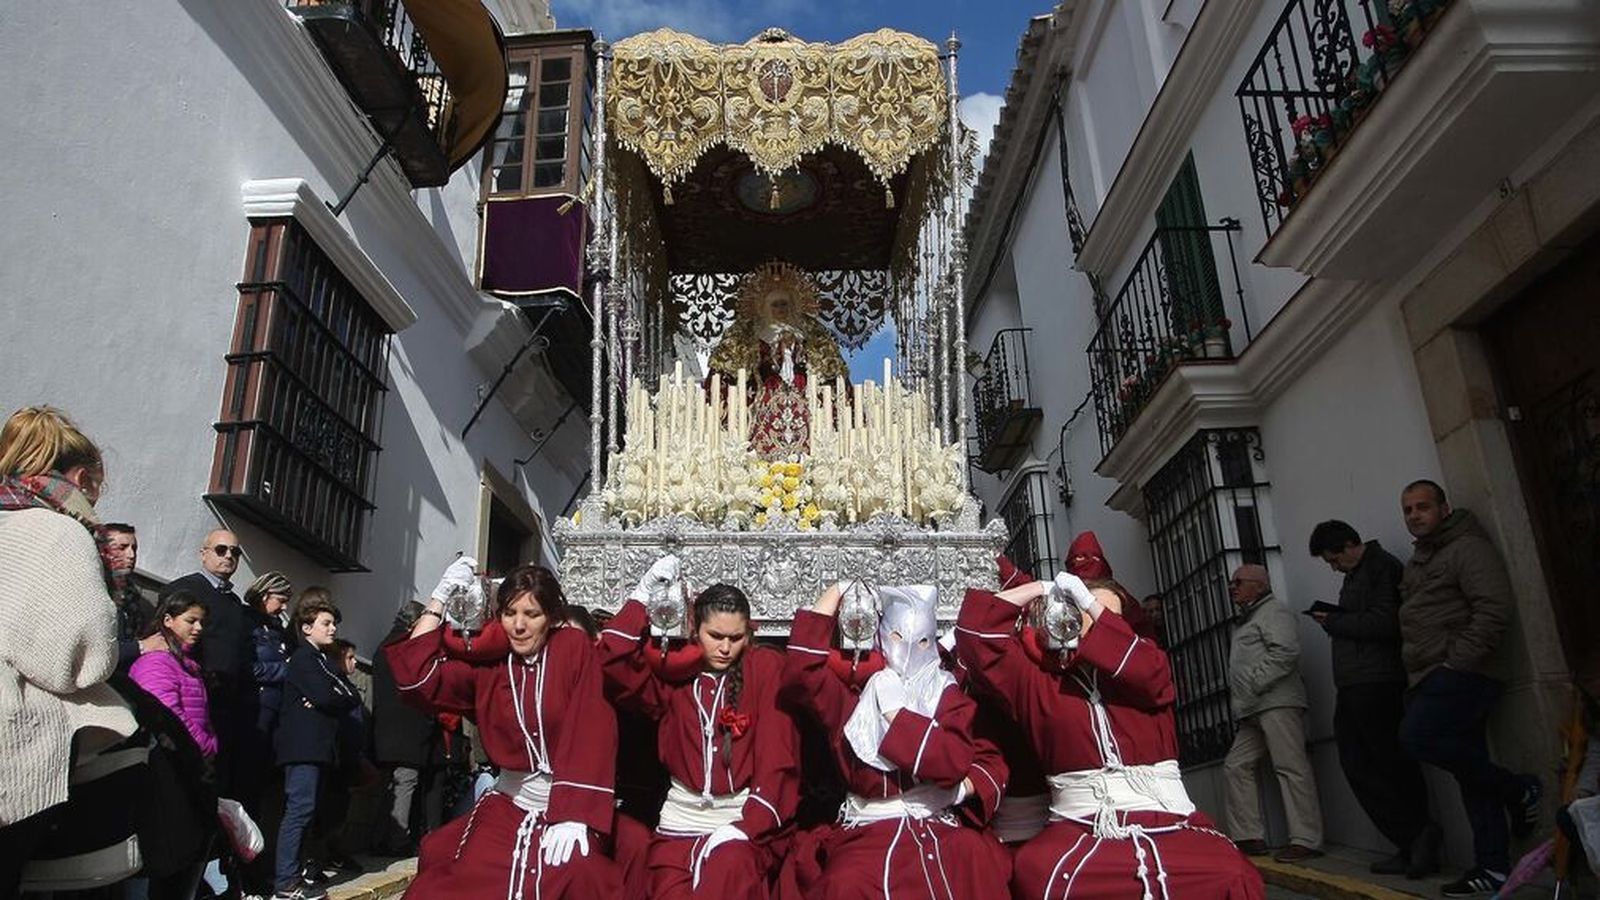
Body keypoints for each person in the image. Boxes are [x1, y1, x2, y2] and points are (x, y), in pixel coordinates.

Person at [955, 570, 1264, 899]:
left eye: (1110, 615)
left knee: (1233, 871)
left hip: (1169, 819)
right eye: (1086, 609)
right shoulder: (1038, 682)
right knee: (1038, 873)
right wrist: (1041, 588)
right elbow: (977, 633)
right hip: (1080, 824)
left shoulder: (1148, 669)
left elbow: (1146, 668)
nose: (1102, 620)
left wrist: (1090, 603)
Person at [385, 559, 621, 899]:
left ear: (551, 617)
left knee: (580, 874)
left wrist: (575, 813)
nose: (519, 626)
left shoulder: (572, 649)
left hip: (569, 806)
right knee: (457, 875)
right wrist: (439, 598)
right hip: (508, 803)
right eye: (510, 614)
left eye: (532, 614)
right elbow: (416, 678)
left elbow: (592, 727)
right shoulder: (490, 664)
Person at [780, 580, 1009, 899]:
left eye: (923, 641)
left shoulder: (947, 694)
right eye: (898, 637)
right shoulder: (852, 698)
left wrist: (895, 714)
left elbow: (952, 761)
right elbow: (802, 671)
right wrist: (836, 591)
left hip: (935, 822)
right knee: (845, 884)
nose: (909, 649)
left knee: (974, 860)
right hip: (869, 829)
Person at [597, 556, 801, 899]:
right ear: (694, 630)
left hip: (739, 823)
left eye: (736, 638)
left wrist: (748, 826)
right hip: (678, 823)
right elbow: (612, 661)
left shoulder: (765, 669)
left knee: (729, 873)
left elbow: (778, 756)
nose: (725, 648)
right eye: (715, 636)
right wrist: (642, 596)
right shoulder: (673, 674)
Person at [0, 406, 139, 898]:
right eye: (96, 488)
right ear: (80, 478)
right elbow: (79, 658)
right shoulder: (59, 531)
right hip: (13, 749)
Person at [1396, 480, 1540, 897]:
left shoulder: (1467, 548)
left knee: (1416, 737)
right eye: (1407, 509)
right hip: (1431, 676)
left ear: (1444, 508)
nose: (1414, 515)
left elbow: (1493, 607)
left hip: (1463, 673)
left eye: (1422, 506)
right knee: (1470, 770)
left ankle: (1519, 789)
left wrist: (1456, 662)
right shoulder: (1419, 561)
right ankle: (1493, 866)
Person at [1307, 520, 1438, 876]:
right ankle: (1410, 838)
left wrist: (1334, 622)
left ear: (1350, 545)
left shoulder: (1381, 567)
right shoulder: (1358, 574)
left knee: (1389, 764)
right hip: (1356, 683)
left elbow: (1386, 623)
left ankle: (1419, 836)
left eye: (1335, 559)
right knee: (1360, 764)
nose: (1335, 568)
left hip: (1377, 682)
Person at [1220, 563, 1323, 862]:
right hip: (1253, 707)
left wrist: (1255, 682)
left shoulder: (1274, 611)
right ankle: (1248, 836)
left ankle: (1306, 839)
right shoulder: (1250, 618)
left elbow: (1286, 651)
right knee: (1236, 765)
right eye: (1232, 582)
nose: (1233, 587)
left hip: (1276, 701)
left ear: (1260, 585)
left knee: (1291, 767)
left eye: (1239, 582)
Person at [272, 591, 361, 900]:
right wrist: (329, 697)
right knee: (299, 811)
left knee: (309, 812)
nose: (333, 629)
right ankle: (286, 882)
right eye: (326, 623)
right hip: (303, 747)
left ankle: (298, 874)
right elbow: (326, 695)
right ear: (307, 627)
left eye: (334, 623)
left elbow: (351, 695)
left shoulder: (323, 661)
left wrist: (330, 698)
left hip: (319, 747)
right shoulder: (304, 659)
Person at [166, 527, 255, 800]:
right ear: (203, 554)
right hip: (194, 695)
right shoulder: (186, 589)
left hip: (227, 701)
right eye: (221, 549)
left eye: (235, 552)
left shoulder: (235, 603)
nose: (228, 556)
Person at [371, 602, 450, 857]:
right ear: (415, 624)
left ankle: (379, 838)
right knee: (405, 783)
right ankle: (397, 840)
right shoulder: (406, 649)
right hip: (409, 731)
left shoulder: (383, 648)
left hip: (385, 730)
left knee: (389, 788)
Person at [130, 591, 218, 759]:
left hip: (188, 754)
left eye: (202, 622)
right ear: (168, 620)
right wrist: (203, 745)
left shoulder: (186, 662)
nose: (199, 628)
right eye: (191, 621)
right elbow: (167, 713)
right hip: (170, 755)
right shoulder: (156, 662)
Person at [105, 522, 161, 672]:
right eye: (122, 548)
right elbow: (96, 650)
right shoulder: (93, 589)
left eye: (134, 548)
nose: (131, 555)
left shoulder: (132, 594)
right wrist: (141, 646)